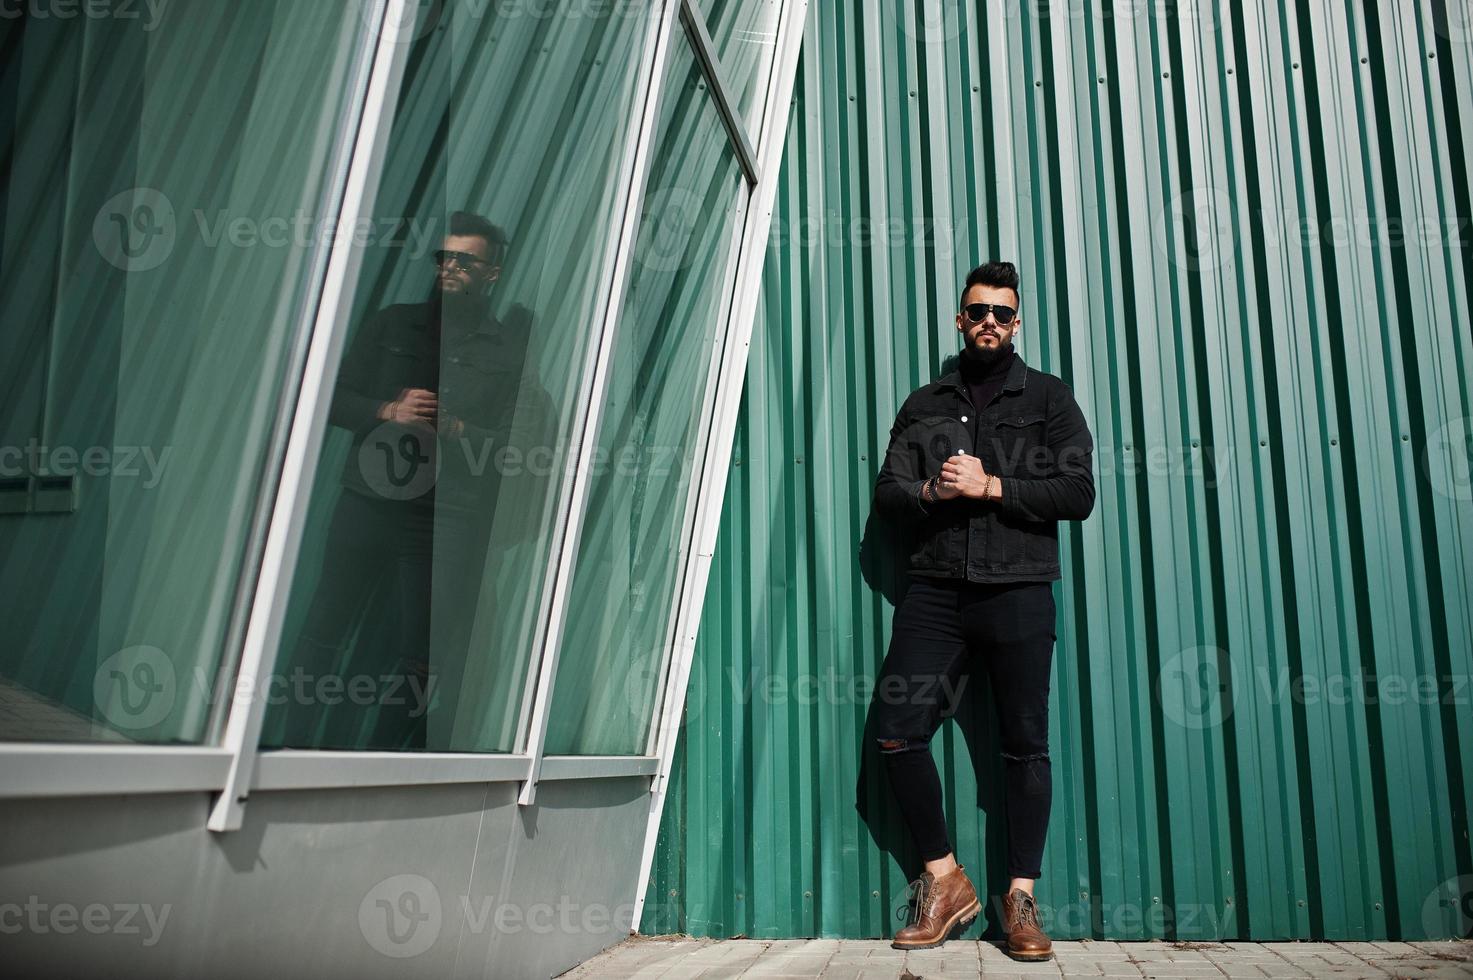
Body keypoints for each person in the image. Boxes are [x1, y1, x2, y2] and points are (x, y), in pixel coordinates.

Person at [870, 261, 1095, 957]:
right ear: (960, 320)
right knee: (893, 732)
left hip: (1019, 591)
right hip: (935, 590)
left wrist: (992, 484)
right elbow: (886, 494)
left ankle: (1020, 900)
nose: (989, 322)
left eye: (1002, 312)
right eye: (977, 312)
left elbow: (1077, 494)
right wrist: (932, 496)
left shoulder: (1049, 399)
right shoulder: (925, 403)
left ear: (1017, 321)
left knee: (1024, 745)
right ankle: (944, 880)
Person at [275, 211, 553, 751]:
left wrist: (456, 426)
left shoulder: (509, 351)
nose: (449, 268)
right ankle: (294, 747)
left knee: (424, 650)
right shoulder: (391, 324)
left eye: (464, 260)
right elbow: (327, 396)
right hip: (368, 500)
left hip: (442, 517)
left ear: (491, 273)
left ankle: (384, 761)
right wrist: (387, 408)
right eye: (443, 257)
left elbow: (517, 443)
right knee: (324, 627)